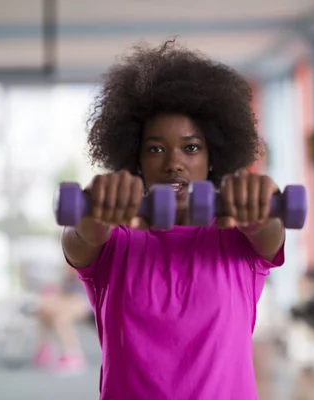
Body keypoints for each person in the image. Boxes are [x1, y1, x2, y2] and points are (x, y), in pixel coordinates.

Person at [61, 39, 286, 399]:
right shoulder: (115, 239)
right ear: (135, 158)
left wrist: (260, 209)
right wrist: (95, 215)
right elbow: (79, 238)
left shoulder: (236, 236)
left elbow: (270, 231)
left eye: (191, 147)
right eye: (155, 149)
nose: (173, 162)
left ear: (213, 156)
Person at [32, 264, 92, 374]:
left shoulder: (85, 268)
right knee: (44, 312)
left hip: (88, 302)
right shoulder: (67, 274)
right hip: (70, 300)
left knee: (61, 317)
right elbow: (63, 294)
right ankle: (46, 347)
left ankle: (73, 355)